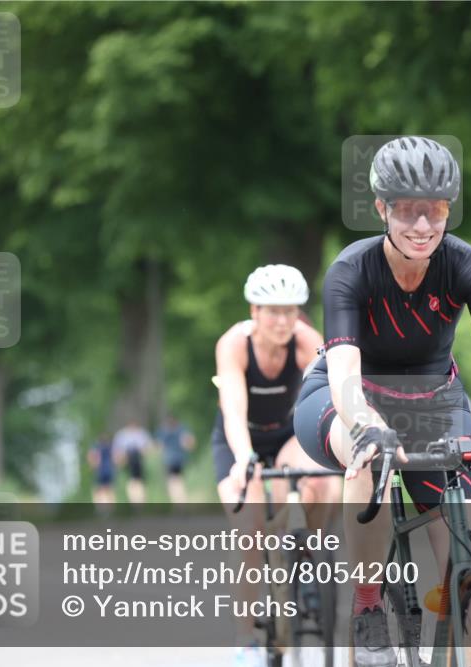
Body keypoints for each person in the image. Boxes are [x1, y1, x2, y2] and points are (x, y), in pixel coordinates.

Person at [292, 136, 471, 667]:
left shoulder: (466, 264)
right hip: (345, 396)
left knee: (465, 559)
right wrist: (367, 425)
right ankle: (369, 604)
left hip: (433, 400)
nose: (423, 226)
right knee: (365, 453)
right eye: (407, 211)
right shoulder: (351, 270)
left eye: (436, 211)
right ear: (381, 208)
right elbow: (347, 371)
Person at [211, 264, 340, 667]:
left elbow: (325, 400)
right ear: (254, 311)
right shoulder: (233, 344)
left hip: (287, 435)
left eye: (290, 311)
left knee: (324, 483)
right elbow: (233, 408)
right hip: (240, 438)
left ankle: (305, 552)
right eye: (273, 311)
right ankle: (246, 638)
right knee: (249, 533)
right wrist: (245, 458)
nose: (283, 320)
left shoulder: (306, 341)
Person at [155, 414, 196, 503]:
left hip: (170, 459)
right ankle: (181, 500)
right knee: (179, 480)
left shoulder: (163, 430)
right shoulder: (181, 428)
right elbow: (189, 443)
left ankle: (179, 502)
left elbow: (159, 446)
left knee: (173, 482)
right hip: (180, 458)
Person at [112, 420, 151, 504]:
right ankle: (136, 501)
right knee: (132, 482)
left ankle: (140, 501)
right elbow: (117, 451)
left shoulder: (141, 433)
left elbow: (147, 448)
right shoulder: (122, 435)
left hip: (138, 461)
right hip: (127, 462)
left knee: (138, 482)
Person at [87, 432, 116, 505]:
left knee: (99, 490)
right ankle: (110, 506)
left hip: (101, 471)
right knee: (109, 489)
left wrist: (92, 465)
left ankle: (102, 507)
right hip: (109, 470)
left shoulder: (96, 447)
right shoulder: (110, 447)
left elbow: (91, 456)